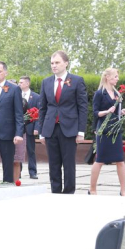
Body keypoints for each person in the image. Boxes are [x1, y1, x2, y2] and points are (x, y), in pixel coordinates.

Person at [38, 51, 88, 194]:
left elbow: (82, 107)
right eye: (52, 63)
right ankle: (55, 192)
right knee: (53, 164)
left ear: (66, 63)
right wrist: (41, 131)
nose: (54, 65)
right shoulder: (46, 82)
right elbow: (43, 108)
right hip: (50, 128)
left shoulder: (77, 80)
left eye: (57, 62)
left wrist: (81, 131)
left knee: (68, 164)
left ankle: (69, 193)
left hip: (69, 129)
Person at [88, 68, 125, 196]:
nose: (118, 79)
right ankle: (92, 189)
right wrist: (106, 111)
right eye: (115, 76)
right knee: (100, 160)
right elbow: (95, 113)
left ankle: (123, 190)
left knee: (120, 160)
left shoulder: (117, 93)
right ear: (107, 77)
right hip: (104, 130)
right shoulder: (99, 93)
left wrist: (122, 112)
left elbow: (116, 111)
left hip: (115, 130)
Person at [19, 76, 40, 179]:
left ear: (27, 84)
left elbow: (39, 113)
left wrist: (37, 128)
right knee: (18, 150)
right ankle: (17, 171)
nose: (19, 84)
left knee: (31, 150)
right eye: (19, 82)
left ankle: (32, 172)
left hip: (30, 127)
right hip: (19, 127)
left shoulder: (36, 97)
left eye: (21, 82)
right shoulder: (16, 95)